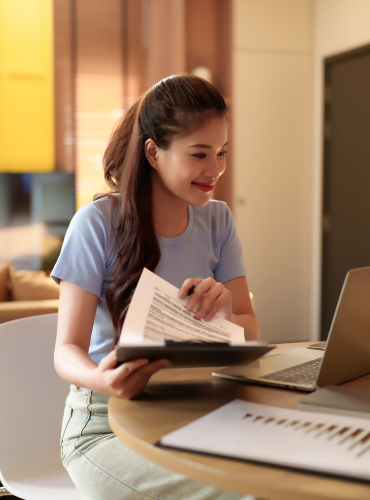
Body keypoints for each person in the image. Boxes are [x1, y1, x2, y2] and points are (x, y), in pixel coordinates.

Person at [52, 74, 259, 500]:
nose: (215, 169)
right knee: (243, 492)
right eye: (199, 154)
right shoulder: (96, 224)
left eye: (221, 153)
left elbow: (250, 330)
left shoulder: (218, 221)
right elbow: (65, 350)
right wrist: (103, 379)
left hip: (195, 408)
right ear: (152, 152)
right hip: (104, 427)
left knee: (286, 473)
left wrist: (224, 317)